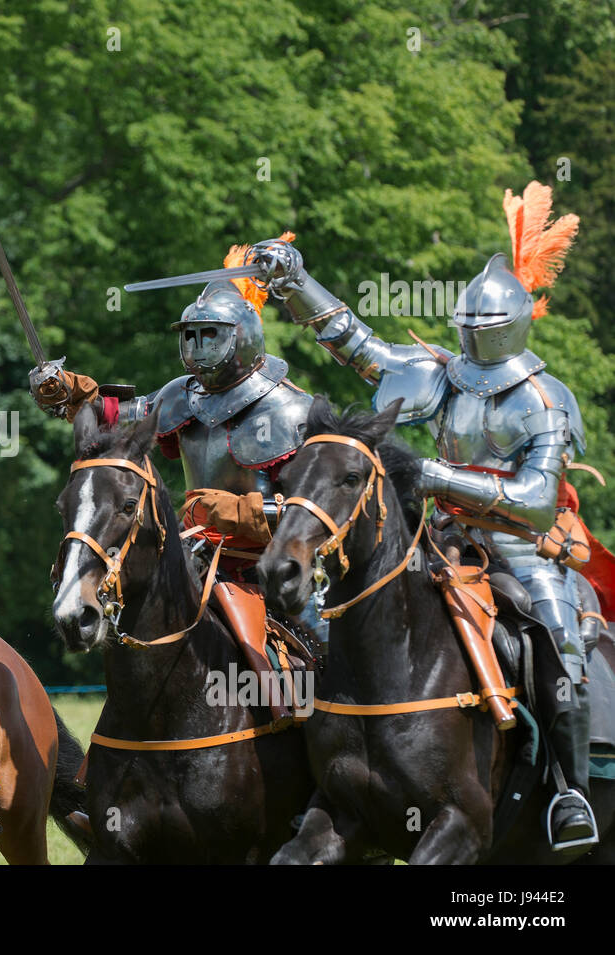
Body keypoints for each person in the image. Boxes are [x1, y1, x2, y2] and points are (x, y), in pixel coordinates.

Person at [254, 182, 599, 849]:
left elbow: (536, 500)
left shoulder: (544, 398)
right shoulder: (442, 376)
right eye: (466, 325)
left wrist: (437, 474)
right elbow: (357, 345)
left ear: (515, 323)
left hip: (523, 551)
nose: (471, 335)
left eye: (483, 326)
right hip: (441, 543)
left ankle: (568, 790)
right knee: (329, 623)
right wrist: (295, 283)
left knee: (558, 649)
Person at [33, 237, 318, 723]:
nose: (200, 348)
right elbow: (118, 419)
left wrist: (232, 512)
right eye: (193, 336)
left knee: (325, 667)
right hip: (196, 559)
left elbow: (314, 514)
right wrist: (68, 394)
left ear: (242, 337)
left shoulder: (288, 409)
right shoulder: (181, 396)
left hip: (276, 570)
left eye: (212, 335)